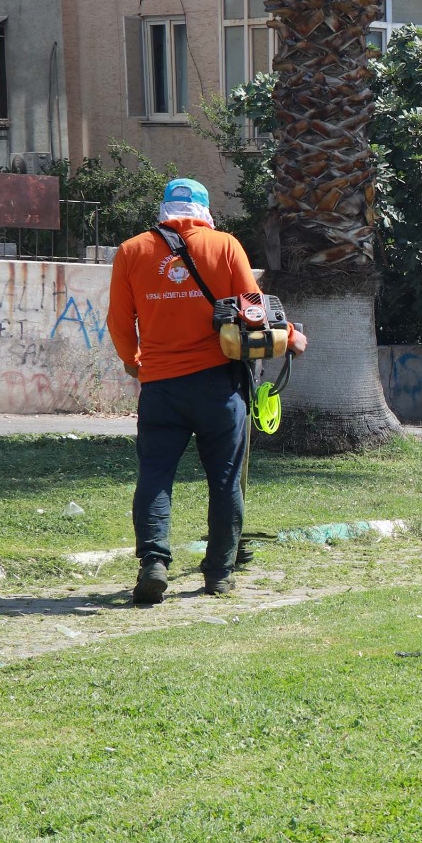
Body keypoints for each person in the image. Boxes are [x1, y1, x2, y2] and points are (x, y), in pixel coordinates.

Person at [107, 179, 307, 604]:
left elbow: (120, 321)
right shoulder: (225, 245)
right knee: (224, 478)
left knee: (156, 475)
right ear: (204, 209)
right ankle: (218, 573)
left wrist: (133, 359)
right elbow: (253, 311)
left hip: (160, 386)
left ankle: (154, 563)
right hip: (219, 386)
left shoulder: (132, 251)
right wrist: (290, 336)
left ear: (165, 209)